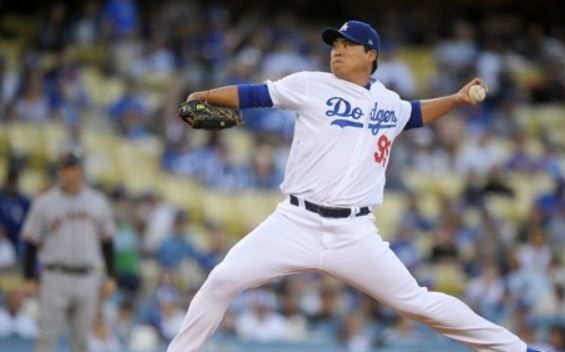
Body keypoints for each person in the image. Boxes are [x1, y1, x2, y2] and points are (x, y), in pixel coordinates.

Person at [168, 20, 538, 352]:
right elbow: (253, 95)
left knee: (416, 302)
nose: (337, 51)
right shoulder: (311, 84)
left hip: (354, 232)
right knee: (221, 281)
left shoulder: (389, 102)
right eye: (334, 45)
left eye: (347, 45)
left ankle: (516, 350)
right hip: (295, 222)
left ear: (371, 55)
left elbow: (416, 113)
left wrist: (456, 100)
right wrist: (203, 96)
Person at [20, 149, 117, 352]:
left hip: (87, 278)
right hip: (55, 276)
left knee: (82, 341)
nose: (64, 173)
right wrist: (28, 277)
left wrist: (111, 276)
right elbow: (30, 243)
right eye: (61, 169)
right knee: (47, 338)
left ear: (80, 170)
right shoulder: (44, 202)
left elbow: (108, 242)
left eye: (69, 168)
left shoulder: (98, 202)